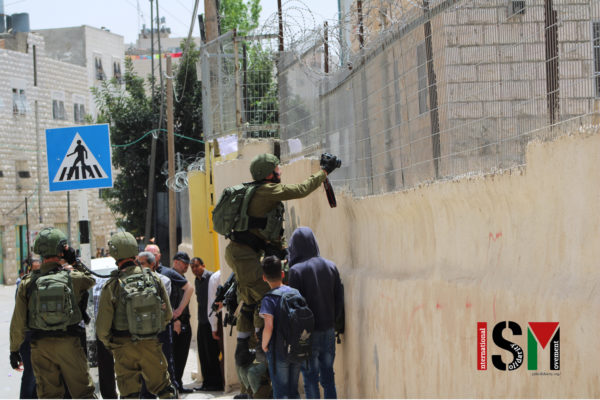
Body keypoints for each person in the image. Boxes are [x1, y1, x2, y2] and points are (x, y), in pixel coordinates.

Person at [224, 153, 339, 366]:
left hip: (241, 254)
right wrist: (324, 172)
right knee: (264, 296)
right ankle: (260, 348)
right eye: (277, 169)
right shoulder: (267, 190)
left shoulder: (254, 190)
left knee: (249, 299)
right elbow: (300, 190)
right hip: (245, 256)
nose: (280, 172)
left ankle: (242, 349)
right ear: (268, 173)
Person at [9, 227, 96, 398]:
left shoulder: (28, 283)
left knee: (49, 395)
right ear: (61, 250)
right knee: (83, 393)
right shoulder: (72, 278)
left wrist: (14, 350)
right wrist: (74, 260)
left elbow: (18, 321)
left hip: (41, 347)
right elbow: (90, 280)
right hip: (69, 343)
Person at [96, 231, 176, 399]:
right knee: (164, 390)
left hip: (123, 348)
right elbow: (168, 315)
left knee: (129, 394)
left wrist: (112, 345)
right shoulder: (154, 278)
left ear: (115, 254)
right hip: (150, 344)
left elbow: (102, 329)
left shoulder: (112, 286)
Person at [288, 227, 344, 399]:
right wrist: (336, 323)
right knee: (328, 375)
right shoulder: (331, 266)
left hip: (306, 333)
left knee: (310, 377)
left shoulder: (296, 271)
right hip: (328, 329)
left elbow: (294, 306)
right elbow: (339, 298)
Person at [259, 255, 303, 399]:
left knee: (281, 392)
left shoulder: (269, 298)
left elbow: (269, 326)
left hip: (278, 350)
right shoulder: (295, 293)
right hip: (296, 348)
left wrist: (264, 345)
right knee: (293, 391)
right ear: (283, 274)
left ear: (264, 277)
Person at [190, 257, 224, 391]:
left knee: (211, 353)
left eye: (196, 266)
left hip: (211, 320)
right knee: (203, 353)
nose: (194, 269)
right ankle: (206, 383)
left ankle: (215, 383)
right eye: (192, 267)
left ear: (203, 265)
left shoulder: (211, 278)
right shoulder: (197, 281)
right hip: (202, 320)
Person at [167, 251, 195, 393]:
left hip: (185, 321)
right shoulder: (170, 277)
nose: (186, 267)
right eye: (184, 264)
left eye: (187, 264)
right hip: (176, 322)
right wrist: (175, 319)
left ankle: (179, 383)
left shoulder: (182, 279)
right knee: (174, 356)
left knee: (182, 355)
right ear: (176, 262)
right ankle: (174, 385)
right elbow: (169, 301)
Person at [16, 258, 41, 399]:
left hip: (40, 335)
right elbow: (18, 316)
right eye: (35, 269)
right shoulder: (23, 285)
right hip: (28, 335)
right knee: (30, 374)